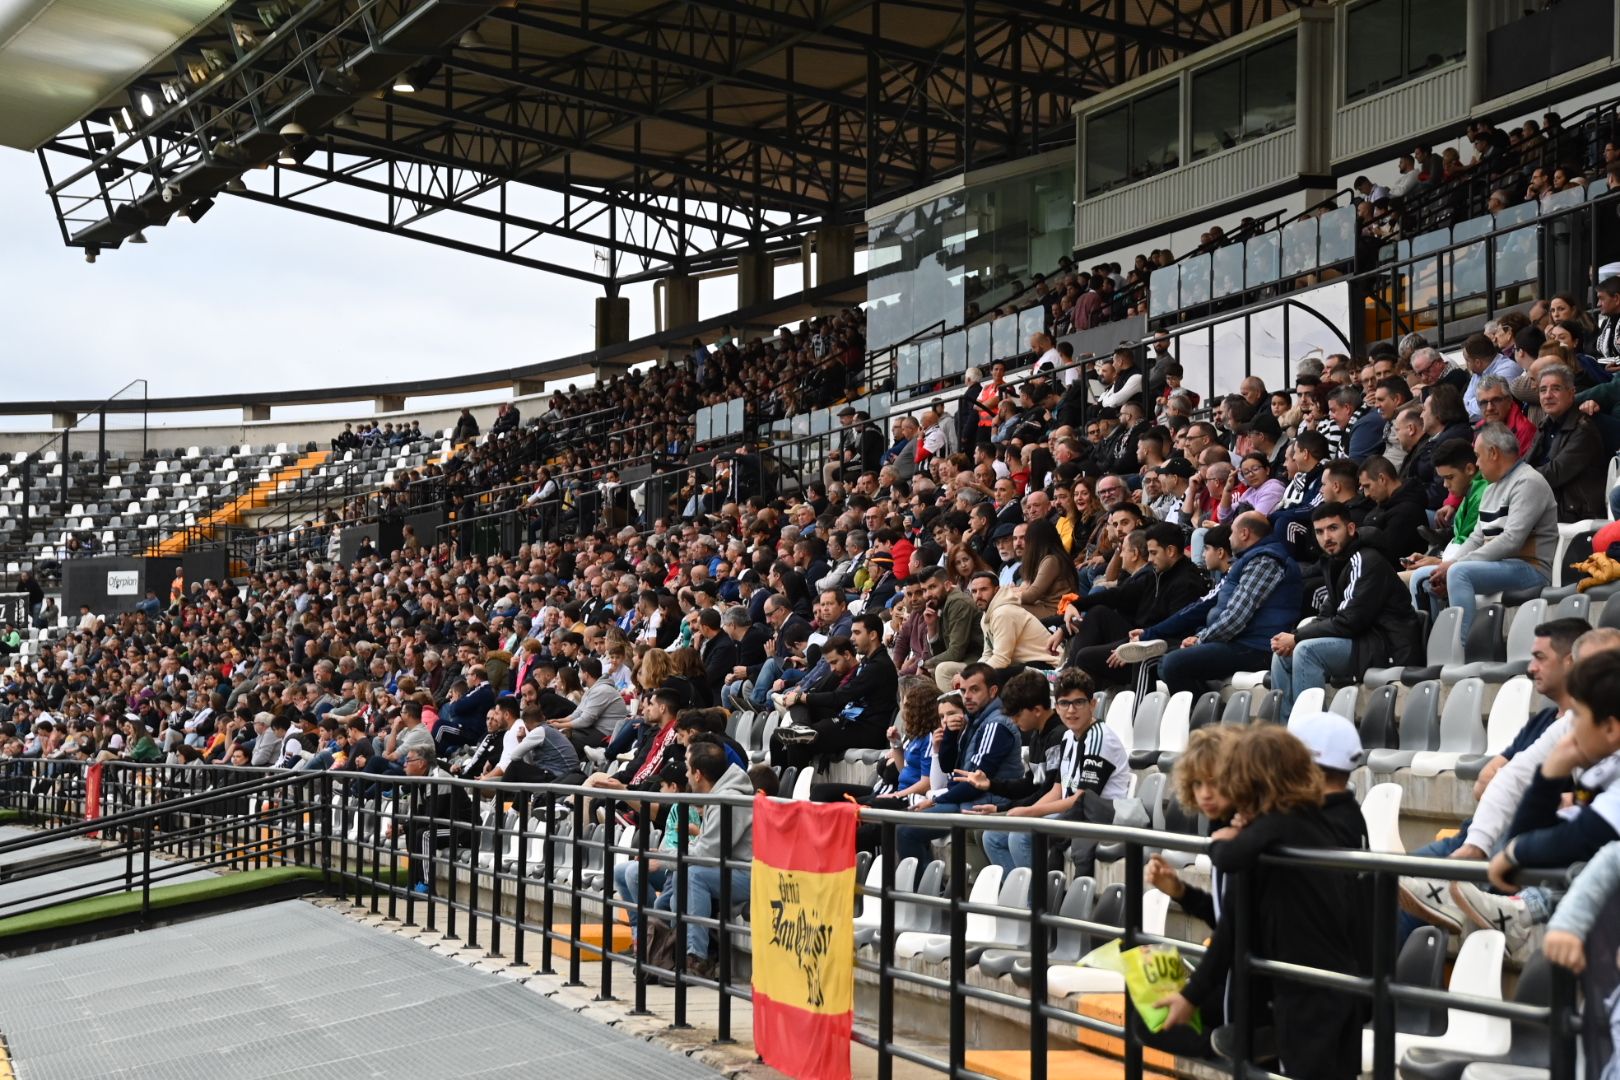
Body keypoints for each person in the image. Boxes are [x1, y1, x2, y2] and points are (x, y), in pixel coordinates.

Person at [1157, 725, 1363, 1079]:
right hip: (1326, 978)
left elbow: (1231, 858)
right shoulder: (1308, 818)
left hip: (1307, 984)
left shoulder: (1279, 823)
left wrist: (1222, 842)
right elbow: (1233, 917)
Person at [1117, 513, 1302, 696]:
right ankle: (1207, 707)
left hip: (1256, 646)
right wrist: (1162, 633)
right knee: (1160, 661)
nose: (1229, 538)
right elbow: (1204, 605)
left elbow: (1236, 617)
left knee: (1173, 663)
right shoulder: (1248, 560)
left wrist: (1201, 640)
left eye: (1232, 533)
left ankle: (1206, 713)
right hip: (1236, 641)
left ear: (1244, 533)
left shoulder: (1265, 561)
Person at [1270, 502, 1421, 717]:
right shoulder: (1335, 562)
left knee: (1305, 651)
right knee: (1283, 653)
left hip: (1388, 646)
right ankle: (1287, 732)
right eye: (1319, 532)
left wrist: (1297, 637)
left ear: (1350, 529)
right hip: (1362, 641)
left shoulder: (1366, 560)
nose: (1326, 537)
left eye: (1333, 528)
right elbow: (1326, 616)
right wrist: (1291, 638)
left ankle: (1311, 731)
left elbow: (1349, 621)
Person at [971, 668, 1128, 872]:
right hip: (1072, 812)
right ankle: (1019, 891)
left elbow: (1081, 799)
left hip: (1097, 816)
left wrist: (1028, 811)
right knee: (993, 837)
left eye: (1079, 702)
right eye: (1064, 703)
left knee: (1020, 836)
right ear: (1057, 706)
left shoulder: (1100, 738)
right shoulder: (1068, 736)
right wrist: (1022, 813)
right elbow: (1057, 790)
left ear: (1092, 704)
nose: (1071, 710)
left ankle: (1040, 893)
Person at [1420, 423, 1557, 637]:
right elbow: (1477, 537)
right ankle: (1439, 643)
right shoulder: (1491, 487)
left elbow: (1512, 540)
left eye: (1478, 455)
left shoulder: (1528, 482)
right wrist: (1449, 563)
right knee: (1424, 577)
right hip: (1499, 565)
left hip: (1531, 568)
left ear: (1493, 453)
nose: (1476, 463)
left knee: (1459, 572)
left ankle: (1464, 646)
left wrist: (1456, 564)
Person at [895, 663, 1021, 865]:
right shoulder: (973, 721)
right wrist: (950, 736)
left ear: (992, 691)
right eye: (963, 691)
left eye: (974, 690)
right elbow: (948, 768)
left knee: (906, 831)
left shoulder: (995, 725)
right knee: (901, 824)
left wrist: (936, 800)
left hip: (982, 802)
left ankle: (920, 884)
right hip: (966, 800)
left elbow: (974, 783)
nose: (967, 696)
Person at [668, 741, 753, 976]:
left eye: (687, 769)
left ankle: (697, 957)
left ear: (698, 774)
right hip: (728, 870)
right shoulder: (718, 796)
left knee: (693, 875)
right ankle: (674, 950)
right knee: (678, 876)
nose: (685, 775)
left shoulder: (730, 800)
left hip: (749, 875)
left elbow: (708, 853)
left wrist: (665, 859)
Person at [771, 615, 898, 770]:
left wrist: (802, 697)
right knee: (777, 738)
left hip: (865, 728)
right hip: (849, 720)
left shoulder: (879, 666)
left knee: (797, 742)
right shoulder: (868, 661)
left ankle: (794, 783)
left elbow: (841, 697)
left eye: (857, 633)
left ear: (872, 635)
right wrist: (801, 697)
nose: (852, 638)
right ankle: (800, 727)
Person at [1528, 364, 1606, 522]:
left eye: (1556, 389)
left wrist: (1516, 479)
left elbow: (1555, 472)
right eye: (1543, 390)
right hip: (1549, 504)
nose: (1548, 395)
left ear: (1571, 393)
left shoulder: (1583, 428)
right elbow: (1527, 461)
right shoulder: (1545, 424)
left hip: (1576, 513)